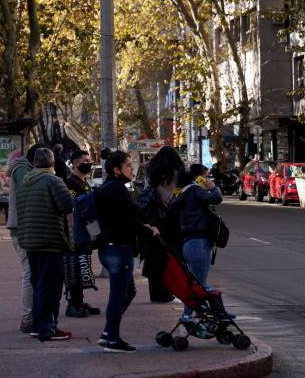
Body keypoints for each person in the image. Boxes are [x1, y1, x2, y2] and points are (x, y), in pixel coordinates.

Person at [96, 150, 159, 353]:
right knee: (118, 295)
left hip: (108, 249)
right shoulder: (118, 190)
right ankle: (111, 337)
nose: (132, 169)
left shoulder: (108, 188)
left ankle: (109, 332)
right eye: (129, 166)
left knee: (128, 291)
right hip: (119, 250)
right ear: (117, 170)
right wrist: (148, 231)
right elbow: (127, 221)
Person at [16, 147, 74, 342]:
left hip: (30, 242)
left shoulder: (25, 183)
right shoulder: (52, 180)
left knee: (38, 283)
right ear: (52, 163)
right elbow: (67, 205)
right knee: (50, 286)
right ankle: (48, 328)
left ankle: (38, 324)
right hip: (51, 241)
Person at [169, 163, 224, 323]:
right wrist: (213, 187)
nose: (208, 179)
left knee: (196, 284)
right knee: (199, 285)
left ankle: (199, 312)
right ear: (198, 177)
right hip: (199, 244)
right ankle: (189, 316)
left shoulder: (181, 193)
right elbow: (216, 198)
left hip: (189, 243)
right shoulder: (195, 190)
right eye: (206, 176)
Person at [138, 146, 187, 303]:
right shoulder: (179, 172)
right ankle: (170, 289)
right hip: (174, 216)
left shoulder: (152, 171)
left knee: (155, 256)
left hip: (155, 218)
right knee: (174, 256)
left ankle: (156, 293)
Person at [63, 149, 101, 318]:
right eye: (86, 160)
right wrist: (72, 234)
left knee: (82, 266)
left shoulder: (84, 182)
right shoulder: (71, 183)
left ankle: (80, 301)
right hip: (76, 234)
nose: (89, 162)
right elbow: (70, 210)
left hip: (85, 233)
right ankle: (73, 303)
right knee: (74, 268)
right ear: (77, 163)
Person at [6, 146, 36, 334]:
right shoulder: (22, 170)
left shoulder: (25, 169)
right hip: (22, 229)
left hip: (26, 229)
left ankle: (32, 315)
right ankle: (28, 317)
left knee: (32, 272)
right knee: (29, 272)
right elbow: (30, 192)